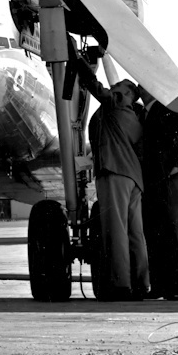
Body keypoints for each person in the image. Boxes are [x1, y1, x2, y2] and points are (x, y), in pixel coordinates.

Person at [72, 56, 148, 300]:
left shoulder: (114, 104)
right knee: (135, 233)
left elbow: (96, 88)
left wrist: (76, 60)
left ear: (126, 93)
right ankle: (141, 283)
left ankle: (121, 286)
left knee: (115, 231)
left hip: (114, 174)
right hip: (133, 179)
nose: (112, 88)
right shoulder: (132, 117)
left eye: (118, 87)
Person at [138, 88, 178, 300]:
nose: (139, 90)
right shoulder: (146, 112)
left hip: (170, 181)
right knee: (155, 232)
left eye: (142, 86)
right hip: (155, 181)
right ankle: (160, 286)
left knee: (173, 231)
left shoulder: (166, 109)